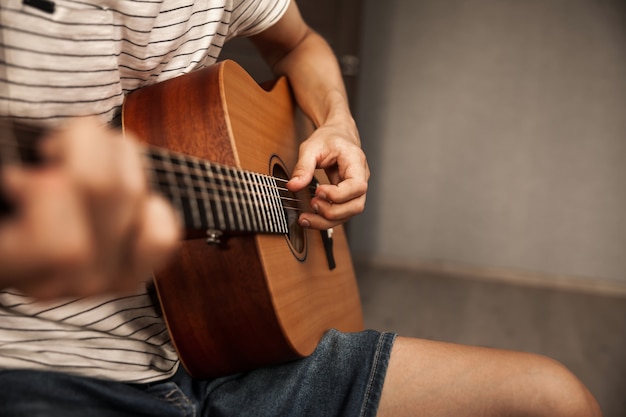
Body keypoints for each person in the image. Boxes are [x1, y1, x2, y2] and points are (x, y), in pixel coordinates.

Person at [0, 1, 602, 416]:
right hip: (44, 365)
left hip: (232, 349)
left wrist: (338, 122)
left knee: (555, 398)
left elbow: (300, 43)